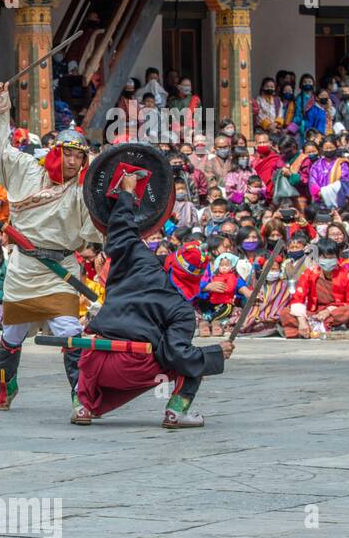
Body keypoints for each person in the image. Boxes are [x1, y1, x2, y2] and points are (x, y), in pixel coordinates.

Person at [0, 85, 100, 410]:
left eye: (78, 155)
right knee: (12, 334)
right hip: (24, 268)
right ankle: (5, 387)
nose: (71, 160)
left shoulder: (84, 189)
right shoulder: (27, 169)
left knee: (69, 331)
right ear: (57, 151)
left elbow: (94, 230)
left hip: (61, 271)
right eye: (67, 153)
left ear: (84, 158)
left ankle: (79, 397)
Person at [72, 177, 234, 428]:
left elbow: (121, 232)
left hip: (93, 359)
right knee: (193, 361)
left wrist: (126, 192)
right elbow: (177, 354)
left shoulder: (141, 261)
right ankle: (175, 412)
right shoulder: (182, 310)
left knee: (84, 343)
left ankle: (82, 406)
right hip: (131, 367)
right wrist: (215, 353)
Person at [279, 238, 349, 337]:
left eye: (331, 258)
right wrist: (302, 321)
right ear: (318, 258)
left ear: (337, 258)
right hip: (314, 313)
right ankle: (316, 328)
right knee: (285, 312)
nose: (328, 261)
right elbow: (297, 299)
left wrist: (328, 311)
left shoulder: (346, 275)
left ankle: (314, 329)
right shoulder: (309, 273)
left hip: (334, 313)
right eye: (324, 258)